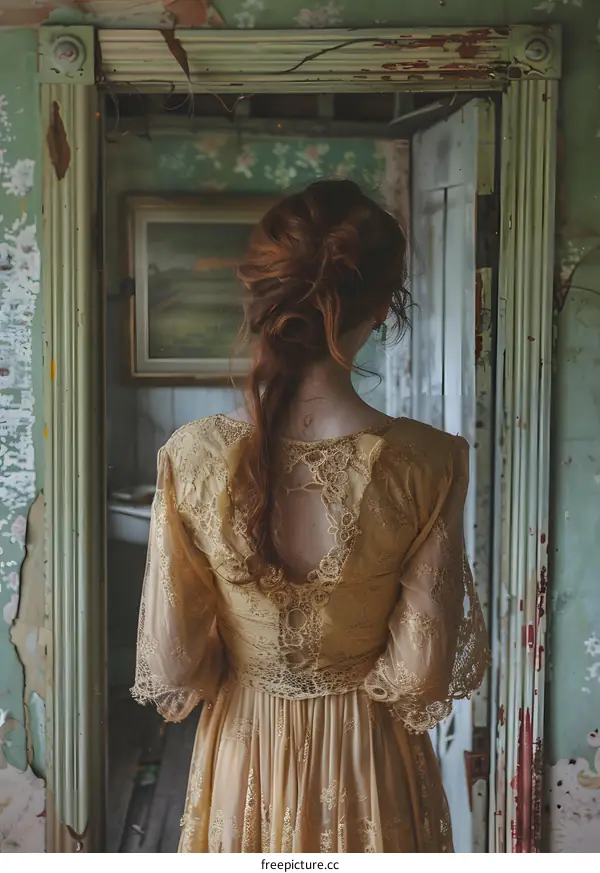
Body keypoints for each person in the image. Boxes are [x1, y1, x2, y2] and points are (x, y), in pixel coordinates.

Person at [131, 179, 490, 853]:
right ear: (384, 306)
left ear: (264, 301)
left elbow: (174, 662)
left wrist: (252, 666)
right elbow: (421, 675)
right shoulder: (428, 460)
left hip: (243, 752)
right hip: (369, 761)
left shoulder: (192, 456)